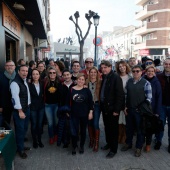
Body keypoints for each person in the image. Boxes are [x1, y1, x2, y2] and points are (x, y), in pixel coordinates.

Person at [121, 65, 152, 157]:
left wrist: (141, 108)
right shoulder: (129, 82)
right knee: (129, 128)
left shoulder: (146, 83)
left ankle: (139, 147)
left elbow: (149, 98)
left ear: (141, 72)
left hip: (140, 112)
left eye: (137, 71)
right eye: (133, 71)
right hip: (129, 109)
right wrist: (125, 107)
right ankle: (128, 144)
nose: (135, 73)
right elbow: (126, 95)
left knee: (140, 130)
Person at [100, 60, 124, 158]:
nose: (103, 69)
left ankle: (113, 150)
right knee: (107, 128)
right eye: (102, 68)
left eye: (105, 67)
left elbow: (120, 95)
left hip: (112, 109)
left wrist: (116, 110)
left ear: (110, 67)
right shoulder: (105, 76)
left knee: (113, 130)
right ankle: (109, 144)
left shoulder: (116, 77)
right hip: (105, 107)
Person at [70, 73, 93, 155]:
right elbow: (68, 101)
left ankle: (81, 145)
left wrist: (91, 112)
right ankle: (74, 145)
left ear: (84, 81)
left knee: (83, 131)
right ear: (76, 80)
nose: (80, 81)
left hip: (84, 114)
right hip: (74, 114)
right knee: (74, 131)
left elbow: (91, 102)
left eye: (82, 79)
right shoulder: (72, 89)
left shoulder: (87, 90)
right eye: (79, 79)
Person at [10, 65, 31, 159]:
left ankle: (21, 145)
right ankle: (20, 150)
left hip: (27, 108)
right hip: (20, 111)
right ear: (18, 71)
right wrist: (20, 111)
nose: (25, 73)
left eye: (26, 71)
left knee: (24, 129)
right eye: (23, 71)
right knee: (20, 130)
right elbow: (15, 98)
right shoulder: (15, 83)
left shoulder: (24, 80)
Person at [143, 65, 162, 152]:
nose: (150, 73)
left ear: (154, 72)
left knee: (149, 128)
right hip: (142, 107)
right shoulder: (142, 80)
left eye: (152, 71)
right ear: (146, 72)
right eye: (148, 71)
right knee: (142, 126)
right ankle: (141, 142)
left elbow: (159, 97)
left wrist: (157, 111)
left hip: (152, 108)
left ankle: (148, 144)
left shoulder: (156, 82)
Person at [57, 69, 76, 148]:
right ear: (62, 76)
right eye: (64, 75)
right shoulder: (61, 86)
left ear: (71, 75)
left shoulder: (75, 85)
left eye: (68, 75)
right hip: (64, 109)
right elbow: (60, 99)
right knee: (65, 126)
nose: (66, 76)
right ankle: (66, 141)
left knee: (74, 126)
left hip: (74, 109)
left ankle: (74, 141)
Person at [86, 66, 102, 152]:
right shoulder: (86, 82)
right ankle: (91, 140)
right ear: (89, 73)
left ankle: (96, 143)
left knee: (95, 123)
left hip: (96, 105)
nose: (93, 74)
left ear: (97, 73)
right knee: (89, 123)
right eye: (91, 72)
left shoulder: (100, 82)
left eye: (94, 72)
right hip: (88, 106)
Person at [44, 67, 61, 144]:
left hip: (57, 105)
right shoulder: (45, 82)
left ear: (56, 74)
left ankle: (56, 135)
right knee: (50, 123)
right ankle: (51, 136)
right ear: (48, 74)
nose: (52, 74)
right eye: (50, 73)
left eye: (54, 73)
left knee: (56, 122)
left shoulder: (60, 82)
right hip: (48, 105)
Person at [156, 58, 170, 152]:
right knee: (160, 124)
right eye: (166, 64)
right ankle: (158, 141)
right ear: (163, 64)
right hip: (162, 105)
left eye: (169, 64)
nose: (167, 65)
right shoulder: (159, 76)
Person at [116, 60, 131, 144]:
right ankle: (119, 136)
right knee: (119, 120)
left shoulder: (130, 77)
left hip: (127, 100)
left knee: (125, 120)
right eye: (120, 66)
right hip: (118, 101)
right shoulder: (116, 76)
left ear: (126, 66)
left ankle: (124, 137)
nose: (122, 68)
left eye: (123, 66)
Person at [29, 69, 45, 149]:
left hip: (41, 107)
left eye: (37, 74)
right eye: (33, 74)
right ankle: (35, 141)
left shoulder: (42, 84)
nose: (35, 76)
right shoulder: (29, 85)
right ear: (31, 76)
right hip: (33, 108)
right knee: (34, 124)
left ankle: (39, 140)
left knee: (39, 125)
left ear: (39, 75)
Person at [0, 60, 16, 128]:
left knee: (18, 123)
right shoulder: (1, 76)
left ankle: (20, 137)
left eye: (11, 65)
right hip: (5, 105)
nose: (9, 67)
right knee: (5, 123)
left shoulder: (18, 76)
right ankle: (6, 137)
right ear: (5, 67)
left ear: (14, 67)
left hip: (17, 104)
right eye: (7, 65)